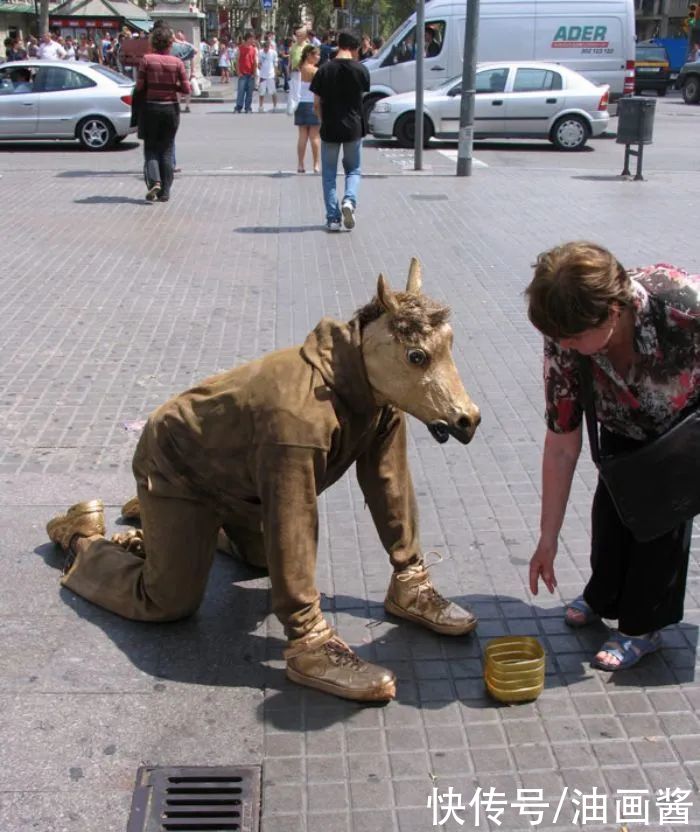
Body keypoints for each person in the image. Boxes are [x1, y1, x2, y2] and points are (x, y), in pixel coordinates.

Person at [526, 241, 700, 671]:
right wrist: (547, 538)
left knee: (659, 530)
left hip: (680, 433)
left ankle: (643, 628)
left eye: (572, 337)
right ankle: (603, 594)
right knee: (612, 513)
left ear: (613, 312)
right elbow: (562, 444)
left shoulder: (682, 303)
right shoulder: (565, 331)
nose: (562, 344)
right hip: (622, 429)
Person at [311, 31, 369, 232]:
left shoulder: (324, 70)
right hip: (353, 127)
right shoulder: (361, 70)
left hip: (330, 127)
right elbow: (361, 98)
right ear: (354, 49)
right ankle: (349, 202)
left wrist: (322, 120)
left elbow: (316, 103)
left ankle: (333, 218)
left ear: (339, 45)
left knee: (328, 174)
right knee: (353, 169)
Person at [135, 23, 190, 203]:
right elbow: (186, 89)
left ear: (153, 43)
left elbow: (140, 86)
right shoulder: (177, 63)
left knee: (150, 148)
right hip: (170, 109)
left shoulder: (146, 60)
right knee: (166, 149)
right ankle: (165, 192)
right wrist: (172, 85)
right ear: (169, 44)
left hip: (151, 108)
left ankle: (155, 181)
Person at [294, 44, 321, 173]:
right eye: (316, 55)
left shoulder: (299, 69)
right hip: (312, 103)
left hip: (300, 103)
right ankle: (316, 164)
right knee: (314, 136)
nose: (318, 57)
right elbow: (319, 90)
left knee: (302, 136)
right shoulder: (314, 71)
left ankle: (300, 164)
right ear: (309, 55)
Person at [171, 30, 197, 113]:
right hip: (176, 68)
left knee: (187, 87)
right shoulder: (173, 46)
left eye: (180, 36)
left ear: (184, 36)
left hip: (186, 68)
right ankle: (178, 104)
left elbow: (194, 53)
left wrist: (193, 71)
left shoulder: (187, 45)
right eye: (177, 36)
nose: (178, 38)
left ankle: (187, 105)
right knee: (177, 87)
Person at [234, 31, 257, 113]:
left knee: (249, 92)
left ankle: (248, 107)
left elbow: (255, 62)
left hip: (250, 74)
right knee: (241, 91)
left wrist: (254, 73)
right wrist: (238, 72)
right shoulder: (240, 48)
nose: (252, 40)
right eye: (251, 39)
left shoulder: (253, 49)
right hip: (242, 74)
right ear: (247, 39)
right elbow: (237, 61)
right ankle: (238, 107)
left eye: (253, 39)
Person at [257, 38, 278, 111]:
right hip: (263, 75)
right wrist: (259, 65)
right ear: (263, 47)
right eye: (265, 47)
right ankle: (261, 106)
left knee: (273, 92)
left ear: (269, 46)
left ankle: (275, 106)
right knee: (261, 92)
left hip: (271, 75)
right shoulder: (260, 52)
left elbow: (275, 64)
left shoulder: (273, 53)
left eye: (267, 47)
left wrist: (276, 74)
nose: (266, 49)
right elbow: (259, 62)